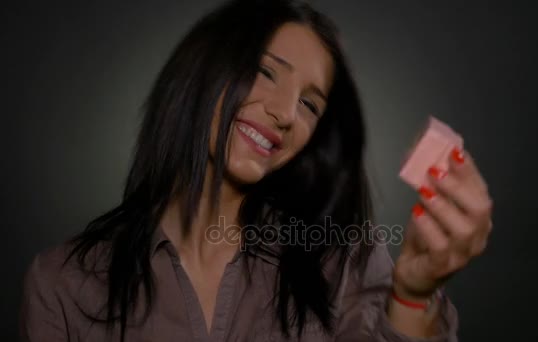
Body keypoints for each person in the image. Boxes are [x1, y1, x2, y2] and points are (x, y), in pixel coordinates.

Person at [19, 0, 493, 341]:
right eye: (266, 71)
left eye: (310, 104)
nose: (286, 113)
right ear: (202, 71)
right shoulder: (62, 283)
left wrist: (412, 295)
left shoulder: (345, 260)